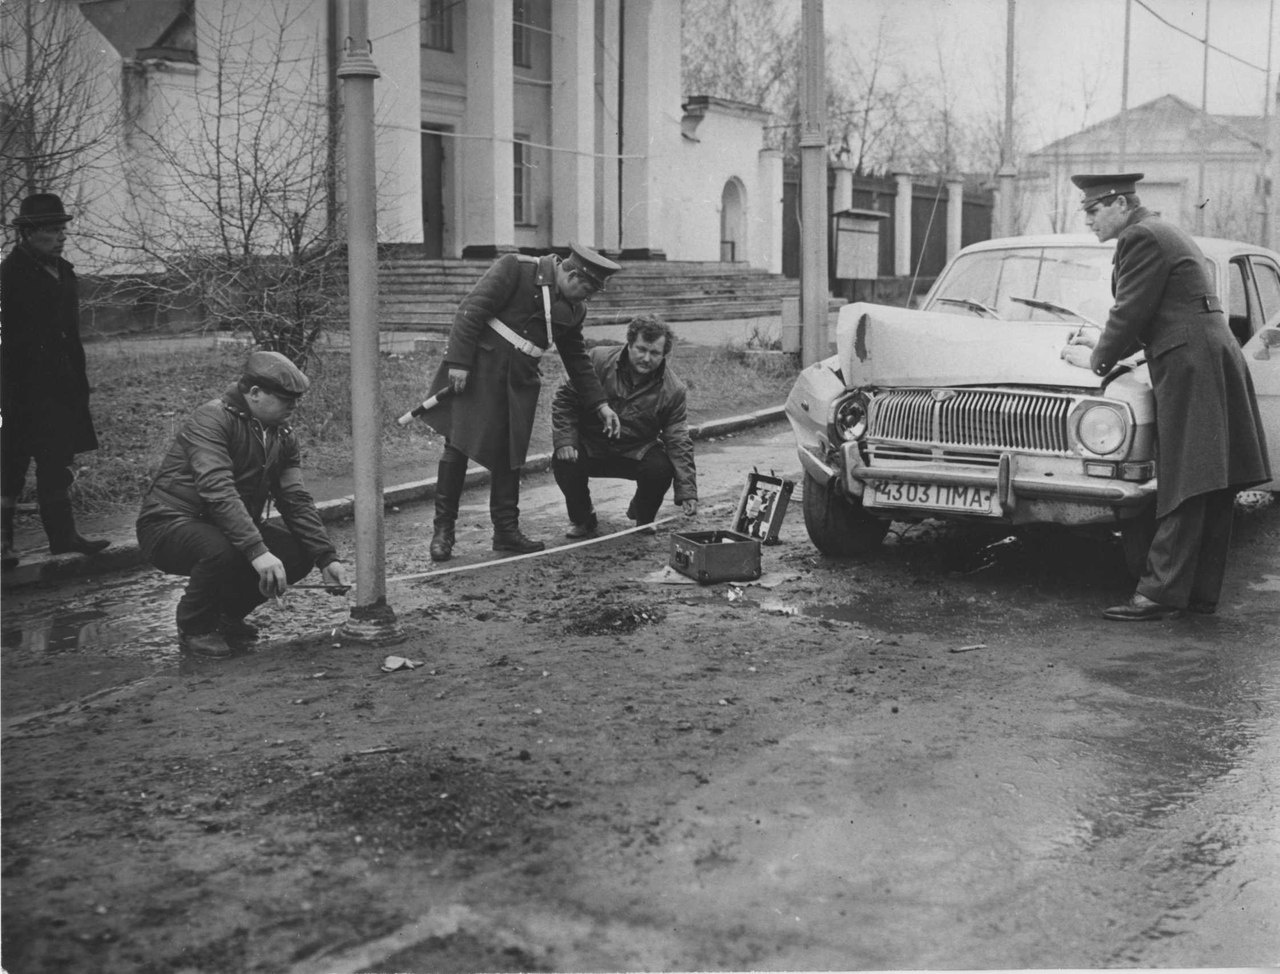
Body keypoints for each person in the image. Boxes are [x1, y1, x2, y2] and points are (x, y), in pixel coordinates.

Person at [1061, 172, 1271, 621]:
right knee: (1210, 480)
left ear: (1118, 203)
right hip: (1208, 356)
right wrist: (1111, 354)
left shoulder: (1140, 236)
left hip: (1190, 363)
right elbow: (1159, 312)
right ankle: (1194, 594)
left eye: (1093, 210)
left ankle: (1158, 595)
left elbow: (1129, 311)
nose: (1089, 221)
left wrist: (1096, 360)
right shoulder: (1162, 229)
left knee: (1187, 479)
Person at [135, 351, 350, 658]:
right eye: (284, 398)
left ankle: (225, 616)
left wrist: (326, 558)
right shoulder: (211, 419)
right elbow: (217, 489)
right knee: (220, 549)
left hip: (222, 526)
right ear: (254, 393)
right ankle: (195, 626)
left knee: (298, 552)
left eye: (295, 399)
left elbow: (295, 499)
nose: (293, 406)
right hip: (169, 524)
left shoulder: (283, 436)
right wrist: (257, 551)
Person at [420, 242, 623, 561]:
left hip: (519, 383)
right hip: (480, 370)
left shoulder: (575, 310)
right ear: (570, 273)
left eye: (590, 293)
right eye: (583, 288)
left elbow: (577, 359)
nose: (584, 298)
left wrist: (600, 404)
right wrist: (459, 362)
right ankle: (443, 531)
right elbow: (472, 309)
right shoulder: (516, 268)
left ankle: (506, 531)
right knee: (456, 448)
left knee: (510, 456)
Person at [1, 193, 110, 568]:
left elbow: (69, 336)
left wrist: (78, 384)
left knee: (56, 463)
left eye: (62, 229)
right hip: (17, 390)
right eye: (51, 230)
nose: (61, 237)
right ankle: (3, 545)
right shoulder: (8, 276)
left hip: (60, 388)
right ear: (27, 234)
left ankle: (63, 537)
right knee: (9, 465)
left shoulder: (64, 272)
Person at [550, 314, 697, 537]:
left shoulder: (674, 390)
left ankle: (643, 516)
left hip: (636, 451)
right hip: (591, 445)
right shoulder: (597, 360)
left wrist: (687, 491)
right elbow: (565, 400)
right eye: (641, 349)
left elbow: (678, 439)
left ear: (664, 354)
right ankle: (583, 518)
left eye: (655, 353)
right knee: (565, 459)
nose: (647, 358)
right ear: (628, 344)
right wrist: (565, 440)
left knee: (661, 468)